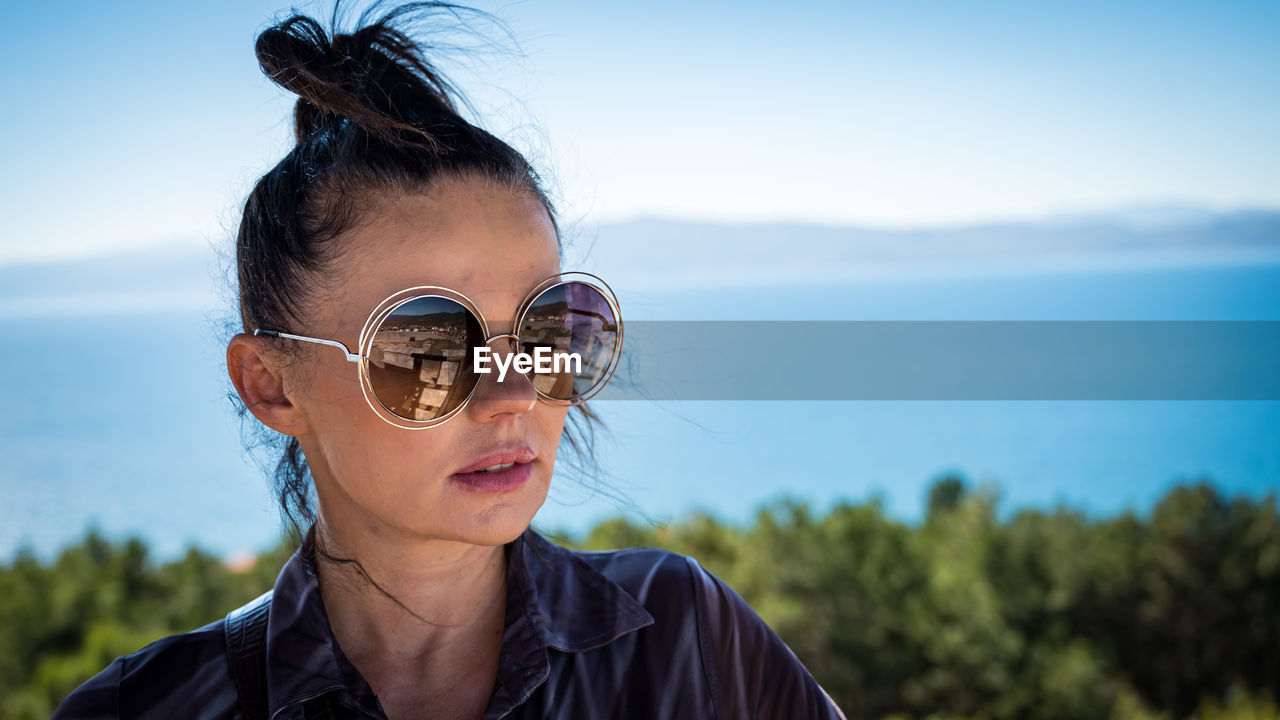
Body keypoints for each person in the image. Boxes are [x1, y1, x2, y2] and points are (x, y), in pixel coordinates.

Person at [53, 1, 846, 718]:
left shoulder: (684, 637)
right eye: (429, 346)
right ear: (270, 383)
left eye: (548, 329)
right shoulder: (140, 711)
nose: (512, 396)